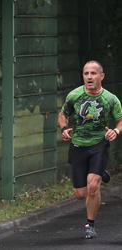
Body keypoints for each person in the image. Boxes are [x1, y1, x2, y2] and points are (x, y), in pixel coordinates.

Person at [58, 60, 122, 239]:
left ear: (101, 76)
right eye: (86, 73)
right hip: (78, 145)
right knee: (81, 193)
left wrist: (116, 131)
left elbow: (120, 120)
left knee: (93, 187)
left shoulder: (110, 99)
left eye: (93, 73)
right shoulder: (75, 95)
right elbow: (63, 114)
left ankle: (90, 225)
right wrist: (64, 129)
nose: (89, 77)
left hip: (99, 145)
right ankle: (103, 173)